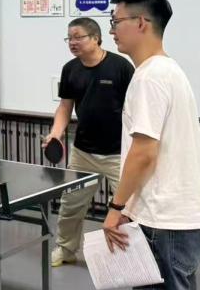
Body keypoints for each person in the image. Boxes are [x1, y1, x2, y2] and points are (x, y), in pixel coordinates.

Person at [102, 0, 200, 290]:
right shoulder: (171, 71)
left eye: (116, 21)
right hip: (186, 221)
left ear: (141, 23)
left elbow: (144, 153)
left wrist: (116, 207)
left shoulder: (148, 78)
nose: (111, 30)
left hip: (162, 225)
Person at [42, 17, 133, 266]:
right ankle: (66, 250)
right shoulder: (70, 69)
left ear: (96, 38)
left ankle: (135, 258)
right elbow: (65, 107)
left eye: (78, 37)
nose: (72, 42)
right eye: (69, 38)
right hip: (83, 153)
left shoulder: (121, 67)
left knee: (131, 209)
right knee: (70, 207)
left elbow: (135, 108)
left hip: (118, 154)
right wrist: (56, 132)